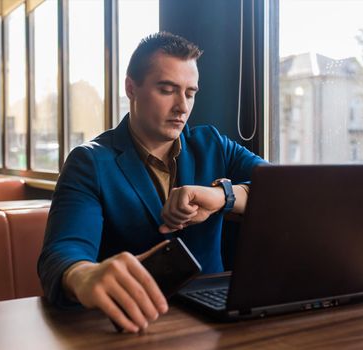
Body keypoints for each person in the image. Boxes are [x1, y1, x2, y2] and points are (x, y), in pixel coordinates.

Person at [38, 32, 266, 333]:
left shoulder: (212, 143)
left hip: (213, 323)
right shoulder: (89, 162)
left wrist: (224, 196)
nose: (182, 107)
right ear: (131, 88)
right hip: (131, 325)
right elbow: (62, 253)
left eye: (190, 93)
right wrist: (83, 275)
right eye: (167, 90)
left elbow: (283, 190)